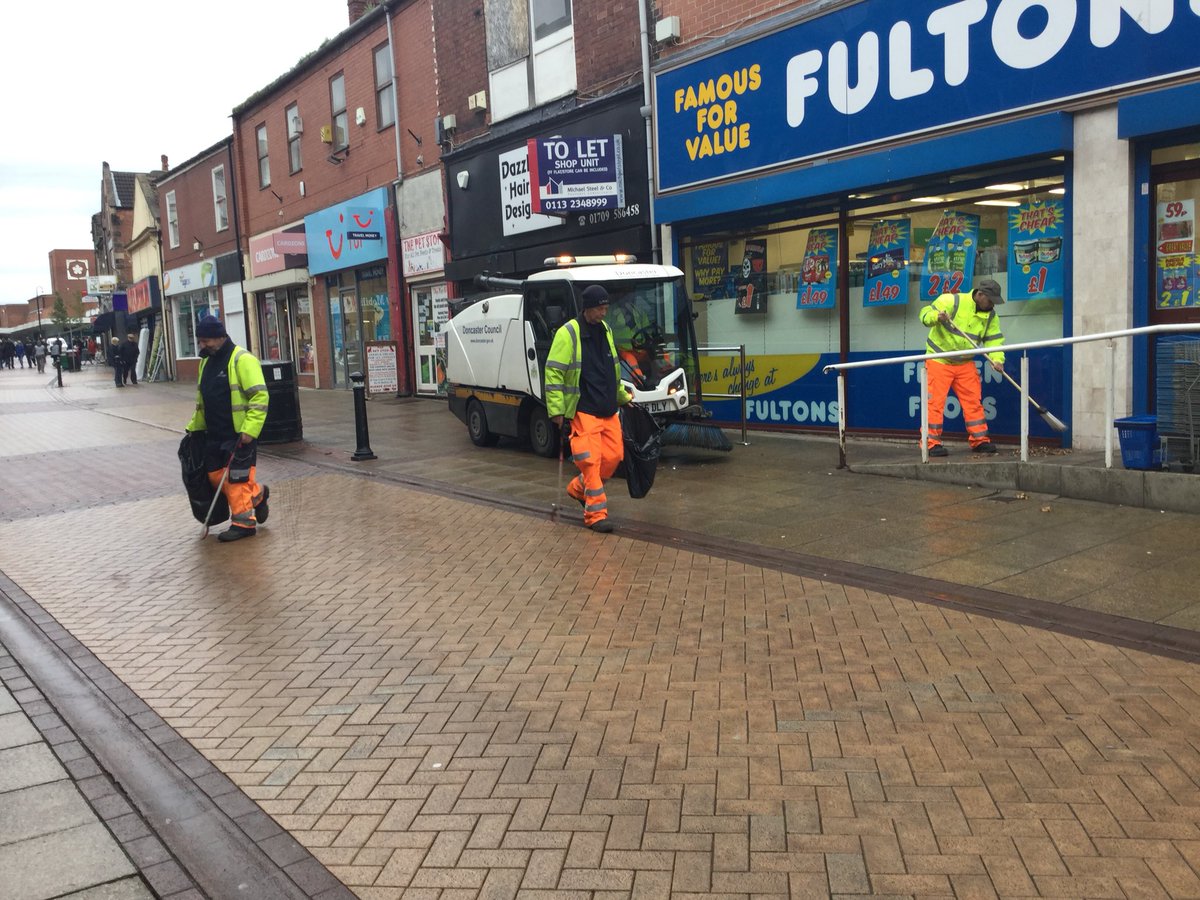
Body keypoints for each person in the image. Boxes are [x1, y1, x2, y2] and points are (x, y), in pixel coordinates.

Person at [545, 284, 633, 533]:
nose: (604, 313)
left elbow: (611, 369)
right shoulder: (568, 333)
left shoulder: (605, 330)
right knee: (590, 461)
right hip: (584, 410)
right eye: (600, 309)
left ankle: (577, 488)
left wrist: (622, 397)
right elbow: (553, 372)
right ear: (588, 308)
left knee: (614, 457)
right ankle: (595, 515)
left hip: (608, 408)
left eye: (606, 308)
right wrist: (557, 410)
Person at [184, 316, 270, 542]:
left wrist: (250, 429)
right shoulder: (205, 362)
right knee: (214, 476)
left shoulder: (242, 359)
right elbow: (202, 400)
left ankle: (243, 524)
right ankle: (257, 495)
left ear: (220, 337)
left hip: (238, 434)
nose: (202, 345)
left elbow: (260, 396)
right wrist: (195, 428)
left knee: (236, 479)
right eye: (200, 341)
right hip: (213, 433)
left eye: (206, 341)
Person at [919, 277, 1006, 456]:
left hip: (965, 363)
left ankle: (980, 441)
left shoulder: (991, 316)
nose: (992, 305)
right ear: (980, 295)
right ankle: (931, 444)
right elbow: (924, 315)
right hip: (939, 360)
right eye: (990, 300)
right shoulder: (951, 301)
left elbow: (994, 340)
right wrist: (937, 317)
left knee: (973, 403)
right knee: (934, 404)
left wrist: (997, 359)